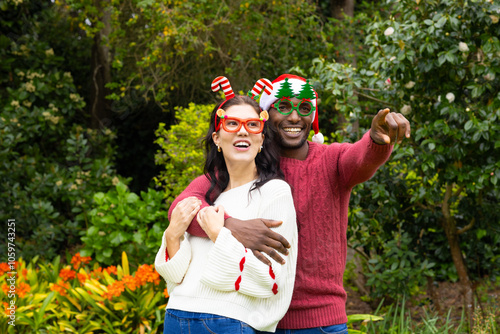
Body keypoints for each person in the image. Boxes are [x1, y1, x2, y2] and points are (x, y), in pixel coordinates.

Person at [168, 74, 411, 333]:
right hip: (256, 318)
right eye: (283, 107)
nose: (294, 117)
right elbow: (181, 207)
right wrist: (231, 227)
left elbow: (361, 158)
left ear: (312, 118)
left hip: (320, 322)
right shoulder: (248, 164)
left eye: (304, 108)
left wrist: (375, 138)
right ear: (265, 115)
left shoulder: (332, 161)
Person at [155, 76, 298, 334]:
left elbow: (271, 280)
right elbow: (177, 277)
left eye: (252, 125)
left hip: (229, 322)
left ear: (262, 139)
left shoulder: (275, 193)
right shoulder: (209, 197)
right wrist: (173, 236)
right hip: (176, 315)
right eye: (232, 124)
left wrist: (219, 233)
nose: (242, 131)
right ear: (217, 139)